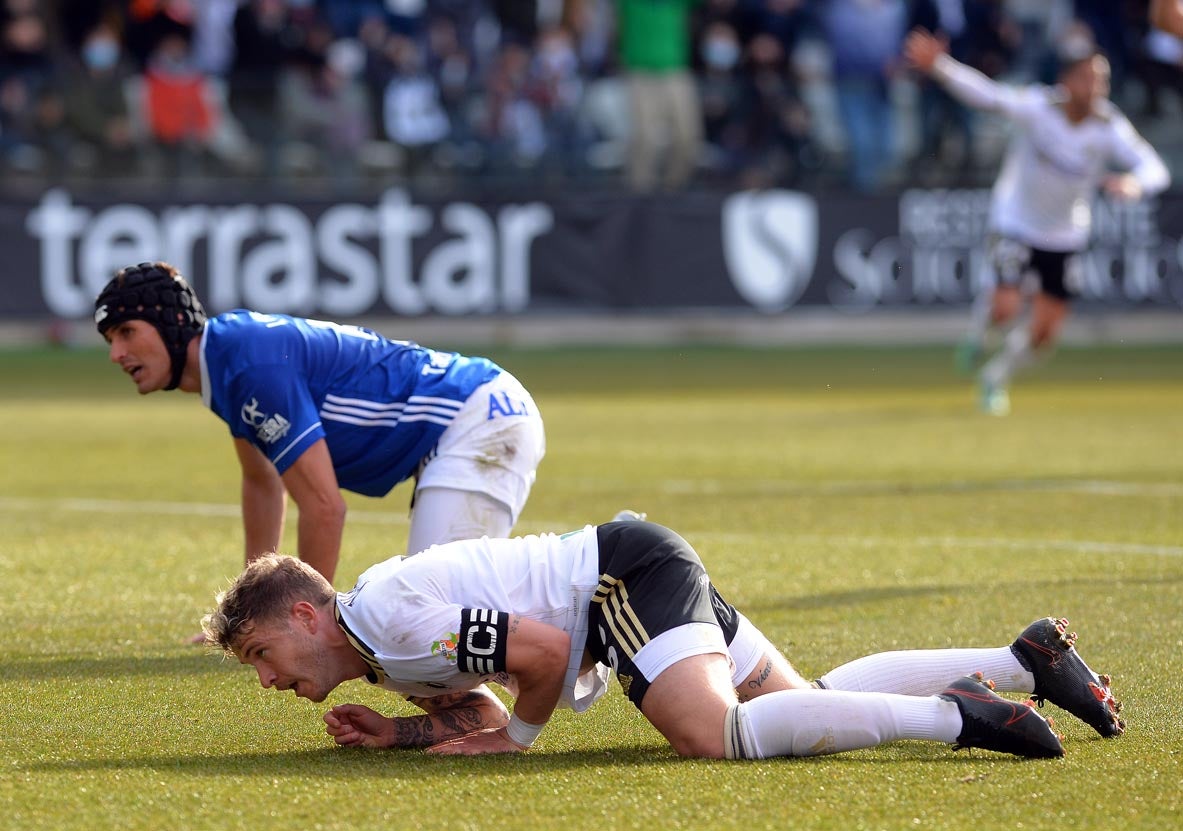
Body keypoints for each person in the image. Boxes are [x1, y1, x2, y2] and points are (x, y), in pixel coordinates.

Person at [202, 519, 1123, 759]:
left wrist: (520, 739)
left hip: (617, 583)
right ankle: (1021, 661)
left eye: (261, 656)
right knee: (797, 707)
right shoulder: (374, 645)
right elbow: (476, 706)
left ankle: (956, 717)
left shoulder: (389, 618)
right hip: (625, 571)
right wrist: (394, 731)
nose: (267, 679)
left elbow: (536, 655)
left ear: (304, 617)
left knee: (709, 735)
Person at [94, 261, 547, 588]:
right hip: (471, 418)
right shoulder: (229, 360)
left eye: (127, 332)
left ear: (174, 322)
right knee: (434, 611)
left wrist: (302, 623)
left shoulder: (247, 364)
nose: (116, 354)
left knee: (428, 612)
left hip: (479, 420)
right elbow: (263, 481)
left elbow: (325, 508)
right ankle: (599, 571)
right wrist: (251, 611)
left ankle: (602, 568)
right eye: (111, 340)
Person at [904, 28, 1170, 415]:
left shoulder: (1108, 125)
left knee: (1044, 334)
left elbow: (1154, 168)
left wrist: (1135, 183)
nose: (1096, 86)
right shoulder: (1039, 106)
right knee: (1006, 308)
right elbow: (990, 96)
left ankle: (994, 378)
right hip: (1016, 222)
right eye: (1087, 77)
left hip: (1064, 234)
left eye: (1102, 79)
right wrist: (942, 67)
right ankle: (980, 334)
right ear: (1066, 81)